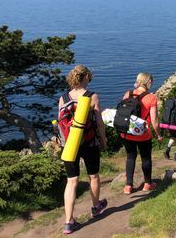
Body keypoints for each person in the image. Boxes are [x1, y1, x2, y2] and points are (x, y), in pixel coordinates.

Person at [59, 65, 107, 235]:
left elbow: (61, 123)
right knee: (93, 175)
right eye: (89, 76)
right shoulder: (92, 96)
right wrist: (103, 140)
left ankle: (68, 222)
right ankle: (96, 207)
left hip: (70, 145)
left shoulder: (63, 98)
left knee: (71, 181)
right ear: (86, 77)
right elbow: (99, 122)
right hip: (89, 142)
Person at [121, 72, 162, 194]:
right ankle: (147, 184)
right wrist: (158, 134)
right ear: (148, 82)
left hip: (127, 132)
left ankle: (128, 186)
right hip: (143, 134)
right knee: (145, 158)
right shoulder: (151, 97)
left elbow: (122, 112)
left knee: (130, 157)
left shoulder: (128, 94)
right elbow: (154, 120)